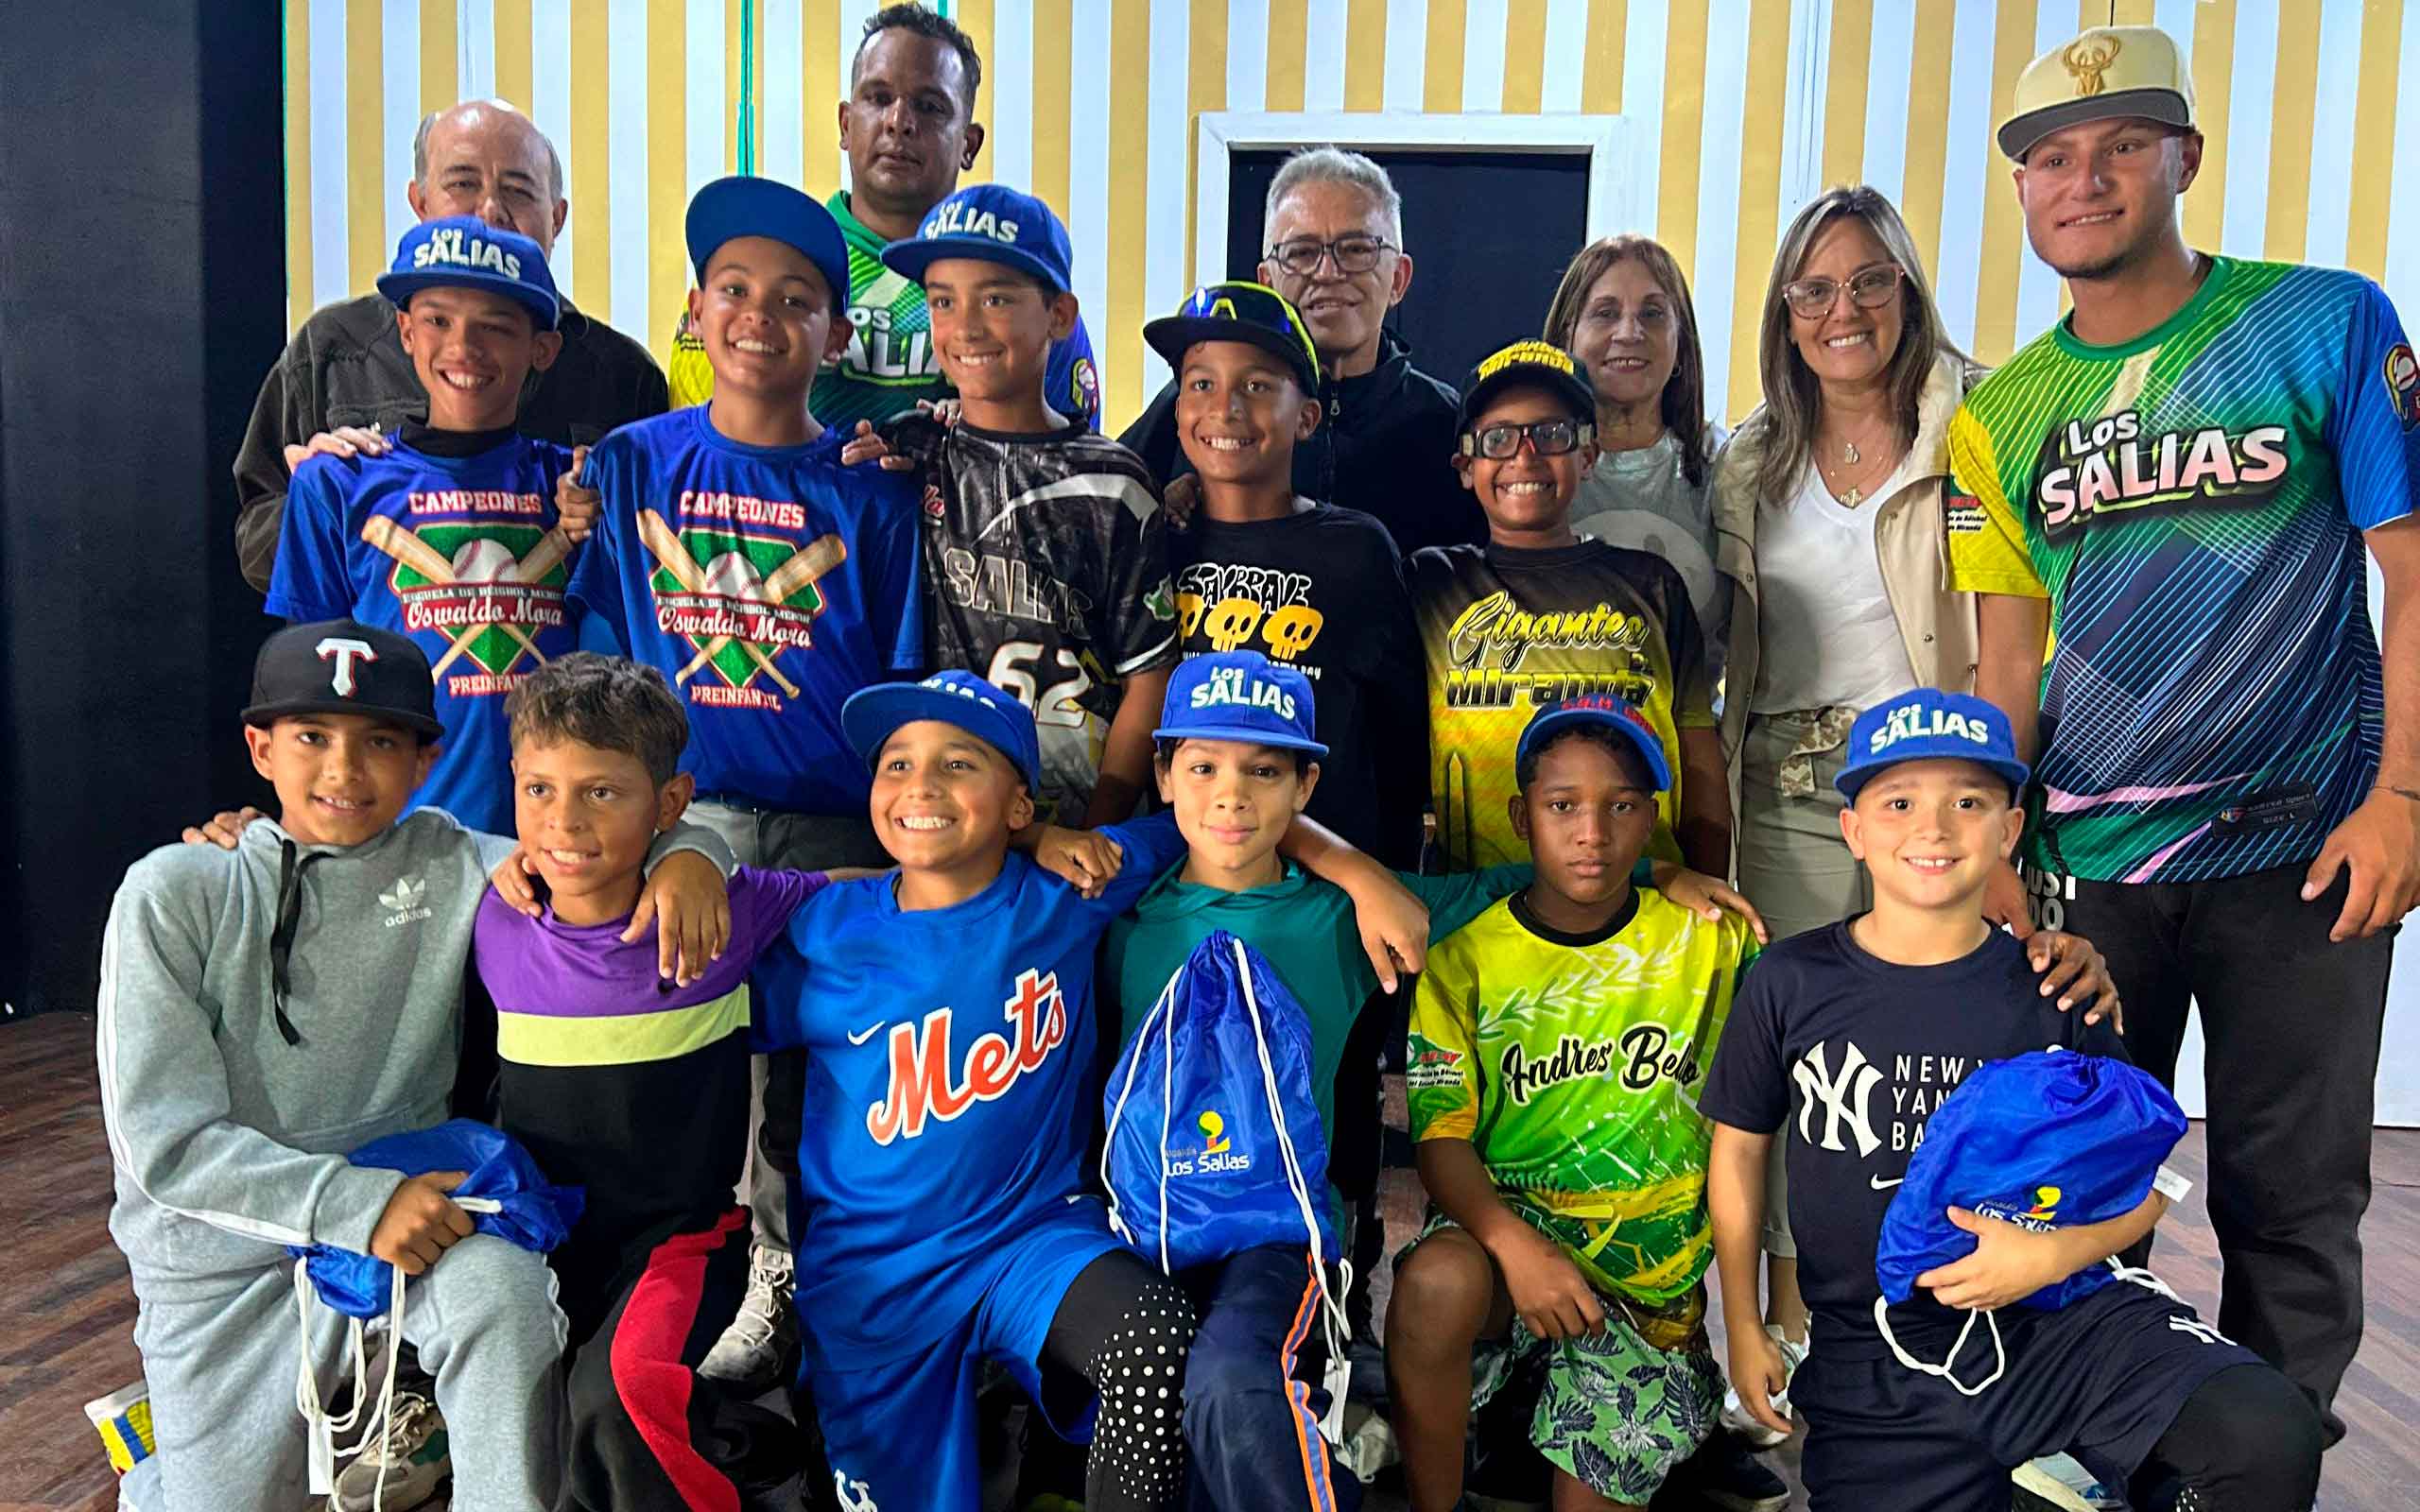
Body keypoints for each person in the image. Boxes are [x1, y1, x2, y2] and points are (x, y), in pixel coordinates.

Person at [1952, 24, 2420, 1443]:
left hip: (2311, 849)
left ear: (2184, 161)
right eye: (2050, 158)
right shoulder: (1996, 414)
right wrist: (1984, 848)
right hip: (2094, 867)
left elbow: (2413, 566)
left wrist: (2404, 797)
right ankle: (2100, 1459)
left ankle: (2264, 1465)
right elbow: (2006, 665)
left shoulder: (2329, 323)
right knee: (2078, 1186)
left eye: (2119, 146)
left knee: (2291, 1196)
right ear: (2023, 192)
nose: (2081, 178)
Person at [745, 669, 1431, 1512]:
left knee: (1157, 1341)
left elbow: (1225, 815)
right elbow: (675, 975)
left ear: (1021, 804)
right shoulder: (821, 930)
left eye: (959, 764)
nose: (921, 784)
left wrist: (1361, 873)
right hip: (878, 1279)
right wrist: (690, 871)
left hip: (1030, 1238)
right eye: (897, 764)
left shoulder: (1074, 892)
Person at [99, 620, 728, 1510]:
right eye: (312, 738)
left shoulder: (458, 862)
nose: (344, 772)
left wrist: (699, 852)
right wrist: (352, 1205)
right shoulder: (175, 891)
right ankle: (163, 1473)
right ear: (259, 748)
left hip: (418, 1229)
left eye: (380, 743)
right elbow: (161, 1148)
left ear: (425, 759)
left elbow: (597, 829)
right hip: (227, 1265)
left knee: (505, 1296)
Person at [1701, 688, 2324, 1512]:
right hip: (1876, 1354)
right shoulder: (1791, 980)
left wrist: (2058, 1254)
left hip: (2056, 1327)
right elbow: (1739, 1152)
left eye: (1968, 801)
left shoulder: (2055, 988)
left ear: (2010, 829)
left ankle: (2075, 1481)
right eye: (1898, 802)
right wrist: (1744, 1323)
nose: (1932, 828)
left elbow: (2148, 1186)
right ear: (1854, 829)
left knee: (2263, 1435)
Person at [566, 175, 926, 1390]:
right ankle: (661, 1279)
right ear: (696, 308)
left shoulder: (873, 491)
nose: (760, 316)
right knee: (675, 1014)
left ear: (835, 333)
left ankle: (806, 1270)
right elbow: (608, 656)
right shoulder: (626, 467)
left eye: (795, 299)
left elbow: (897, 673)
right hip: (696, 805)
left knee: (825, 1062)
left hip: (835, 815)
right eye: (735, 290)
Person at [1704, 183, 1983, 1372]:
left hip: (1923, 779)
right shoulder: (1749, 456)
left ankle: (1932, 1316)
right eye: (1812, 288)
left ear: (1907, 288)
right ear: (1784, 311)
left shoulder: (1974, 420)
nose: (1842, 308)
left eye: (1869, 279)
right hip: (1781, 778)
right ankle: (1782, 1332)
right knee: (1797, 1052)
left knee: (1925, 1050)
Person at [1387, 697, 1760, 1512]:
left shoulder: (1710, 938)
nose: (1592, 832)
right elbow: (1440, 1140)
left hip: (1645, 1292)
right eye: (1563, 807)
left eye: (1621, 806)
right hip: (1507, 1247)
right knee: (1434, 1284)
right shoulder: (1464, 955)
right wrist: (1514, 1247)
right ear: (1523, 817)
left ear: (1652, 815)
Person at [235, 98, 666, 592]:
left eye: (518, 191)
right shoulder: (333, 349)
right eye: (462, 184)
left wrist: (600, 513)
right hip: (381, 663)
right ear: (420, 203)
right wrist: (316, 507)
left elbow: (652, 567)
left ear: (557, 217)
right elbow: (255, 537)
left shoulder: (624, 375)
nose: (489, 212)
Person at [267, 217, 581, 835]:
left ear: (541, 348)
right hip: (398, 844)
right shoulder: (336, 485)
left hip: (555, 848)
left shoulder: (576, 492)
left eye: (495, 325)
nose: (464, 347)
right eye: (438, 320)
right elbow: (308, 701)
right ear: (406, 332)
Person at [874, 182, 1177, 824]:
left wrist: (1106, 822)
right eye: (942, 301)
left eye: (996, 298)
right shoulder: (916, 451)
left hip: (1084, 818)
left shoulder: (1112, 482)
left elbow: (1149, 678)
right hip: (942, 822)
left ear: (1060, 317)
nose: (966, 326)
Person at [666, 5, 1100, 429]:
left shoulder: (1025, 279)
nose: (899, 122)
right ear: (845, 124)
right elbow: (693, 452)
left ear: (969, 144)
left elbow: (1072, 467)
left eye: (929, 106)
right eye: (878, 98)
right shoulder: (762, 268)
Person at [1141, 281, 1429, 869]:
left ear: (1307, 417)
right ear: (1177, 414)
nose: (1226, 408)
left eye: (1257, 385)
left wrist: (1389, 876)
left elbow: (1400, 740)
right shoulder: (1154, 541)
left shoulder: (1356, 549)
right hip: (1183, 882)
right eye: (1202, 384)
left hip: (1331, 889)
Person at [1412, 338, 1727, 877]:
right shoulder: (1432, 583)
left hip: (1641, 900)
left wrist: (1709, 883)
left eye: (1552, 434)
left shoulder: (1652, 584)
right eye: (1498, 439)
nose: (1525, 455)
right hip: (1481, 906)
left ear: (1588, 455)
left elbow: (1698, 752)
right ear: (1466, 466)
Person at [1120, 147, 1477, 557]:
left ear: (1398, 278)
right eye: (1302, 253)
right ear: (1267, 280)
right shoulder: (1192, 409)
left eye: (1357, 249)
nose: (1327, 273)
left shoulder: (1450, 425)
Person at [1545, 235, 1729, 658]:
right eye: (1605, 314)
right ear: (1566, 338)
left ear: (1681, 341)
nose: (1629, 333)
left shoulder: (1731, 466)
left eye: (1653, 313)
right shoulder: (1529, 464)